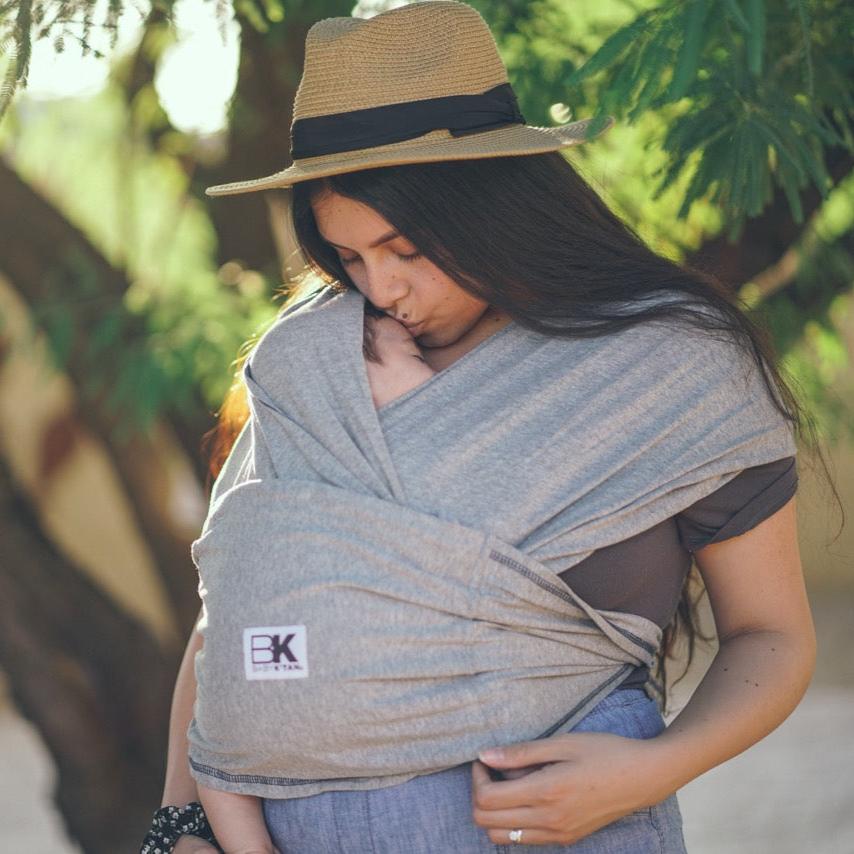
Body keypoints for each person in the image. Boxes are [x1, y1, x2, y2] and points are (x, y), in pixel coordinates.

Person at [143, 2, 822, 852]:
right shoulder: (319, 361)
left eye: (404, 250)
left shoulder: (665, 367)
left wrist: (653, 771)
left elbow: (774, 635)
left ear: (492, 206)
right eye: (348, 258)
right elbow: (238, 607)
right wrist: (180, 824)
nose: (380, 289)